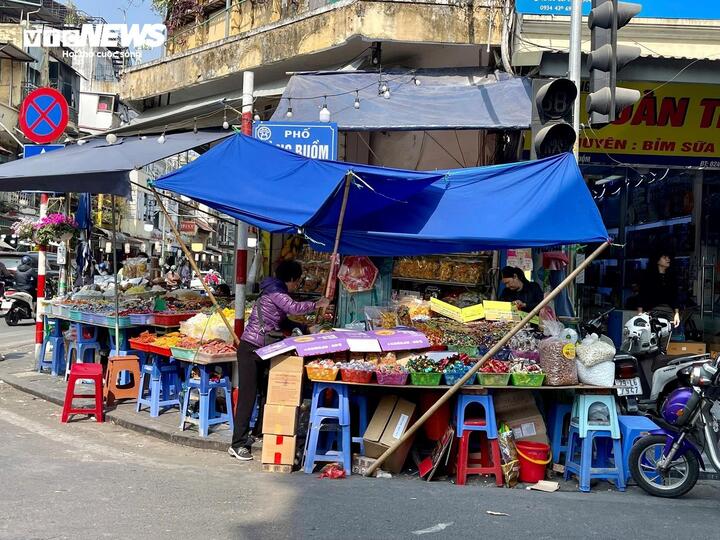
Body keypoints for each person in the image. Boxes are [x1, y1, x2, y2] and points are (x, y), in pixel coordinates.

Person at [228, 260, 330, 461]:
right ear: (292, 279)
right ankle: (237, 444)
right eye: (297, 282)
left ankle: (260, 432)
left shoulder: (274, 290)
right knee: (248, 398)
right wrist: (317, 304)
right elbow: (293, 308)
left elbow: (282, 320)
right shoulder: (276, 291)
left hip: (264, 350)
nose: (296, 286)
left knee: (268, 392)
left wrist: (306, 329)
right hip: (250, 349)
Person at [638, 252, 681, 327]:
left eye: (668, 257)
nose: (668, 259)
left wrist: (677, 314)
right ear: (657, 260)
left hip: (669, 312)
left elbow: (675, 297)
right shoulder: (649, 277)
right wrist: (640, 313)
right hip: (653, 311)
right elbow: (642, 295)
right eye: (664, 257)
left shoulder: (671, 278)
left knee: (667, 333)